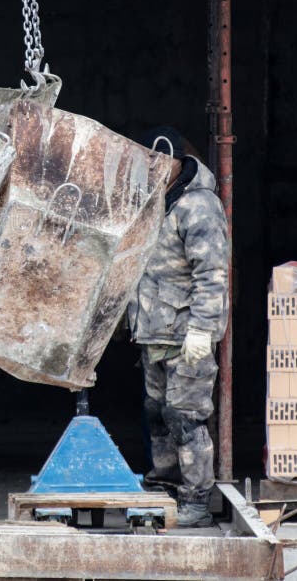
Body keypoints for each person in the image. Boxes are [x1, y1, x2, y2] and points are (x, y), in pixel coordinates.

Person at [128, 126, 230, 528]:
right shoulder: (157, 202)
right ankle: (164, 488)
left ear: (172, 161)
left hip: (186, 333)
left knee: (186, 418)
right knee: (158, 414)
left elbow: (212, 274)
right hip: (154, 331)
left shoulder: (198, 206)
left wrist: (203, 330)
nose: (147, 172)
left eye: (154, 164)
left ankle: (196, 500)